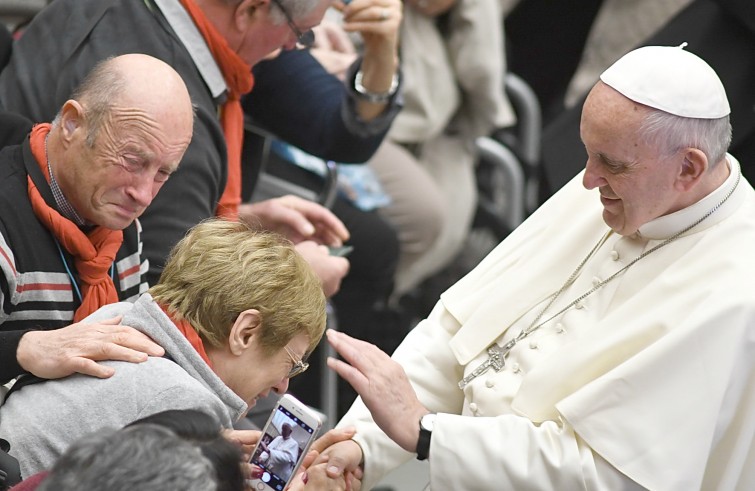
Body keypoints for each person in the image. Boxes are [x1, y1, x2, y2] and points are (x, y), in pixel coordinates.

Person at [317, 45, 755, 490]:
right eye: (588, 153)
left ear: (688, 168)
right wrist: (364, 445)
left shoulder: (735, 289)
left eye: (611, 164)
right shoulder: (611, 188)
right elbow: (455, 334)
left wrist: (428, 434)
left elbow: (609, 475)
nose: (587, 180)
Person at [0, 0, 403, 302]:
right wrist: (289, 281)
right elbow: (166, 308)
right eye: (300, 34)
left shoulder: (196, 26)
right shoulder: (169, 122)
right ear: (251, 10)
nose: (293, 48)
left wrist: (239, 226)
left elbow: (342, 134)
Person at [0, 219, 352, 489]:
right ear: (245, 332)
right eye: (291, 363)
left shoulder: (118, 318)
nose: (282, 387)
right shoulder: (185, 399)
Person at [0, 53, 195, 385]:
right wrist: (27, 348)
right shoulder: (7, 220)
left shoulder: (119, 223)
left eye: (163, 173)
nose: (144, 195)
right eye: (133, 161)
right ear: (73, 123)